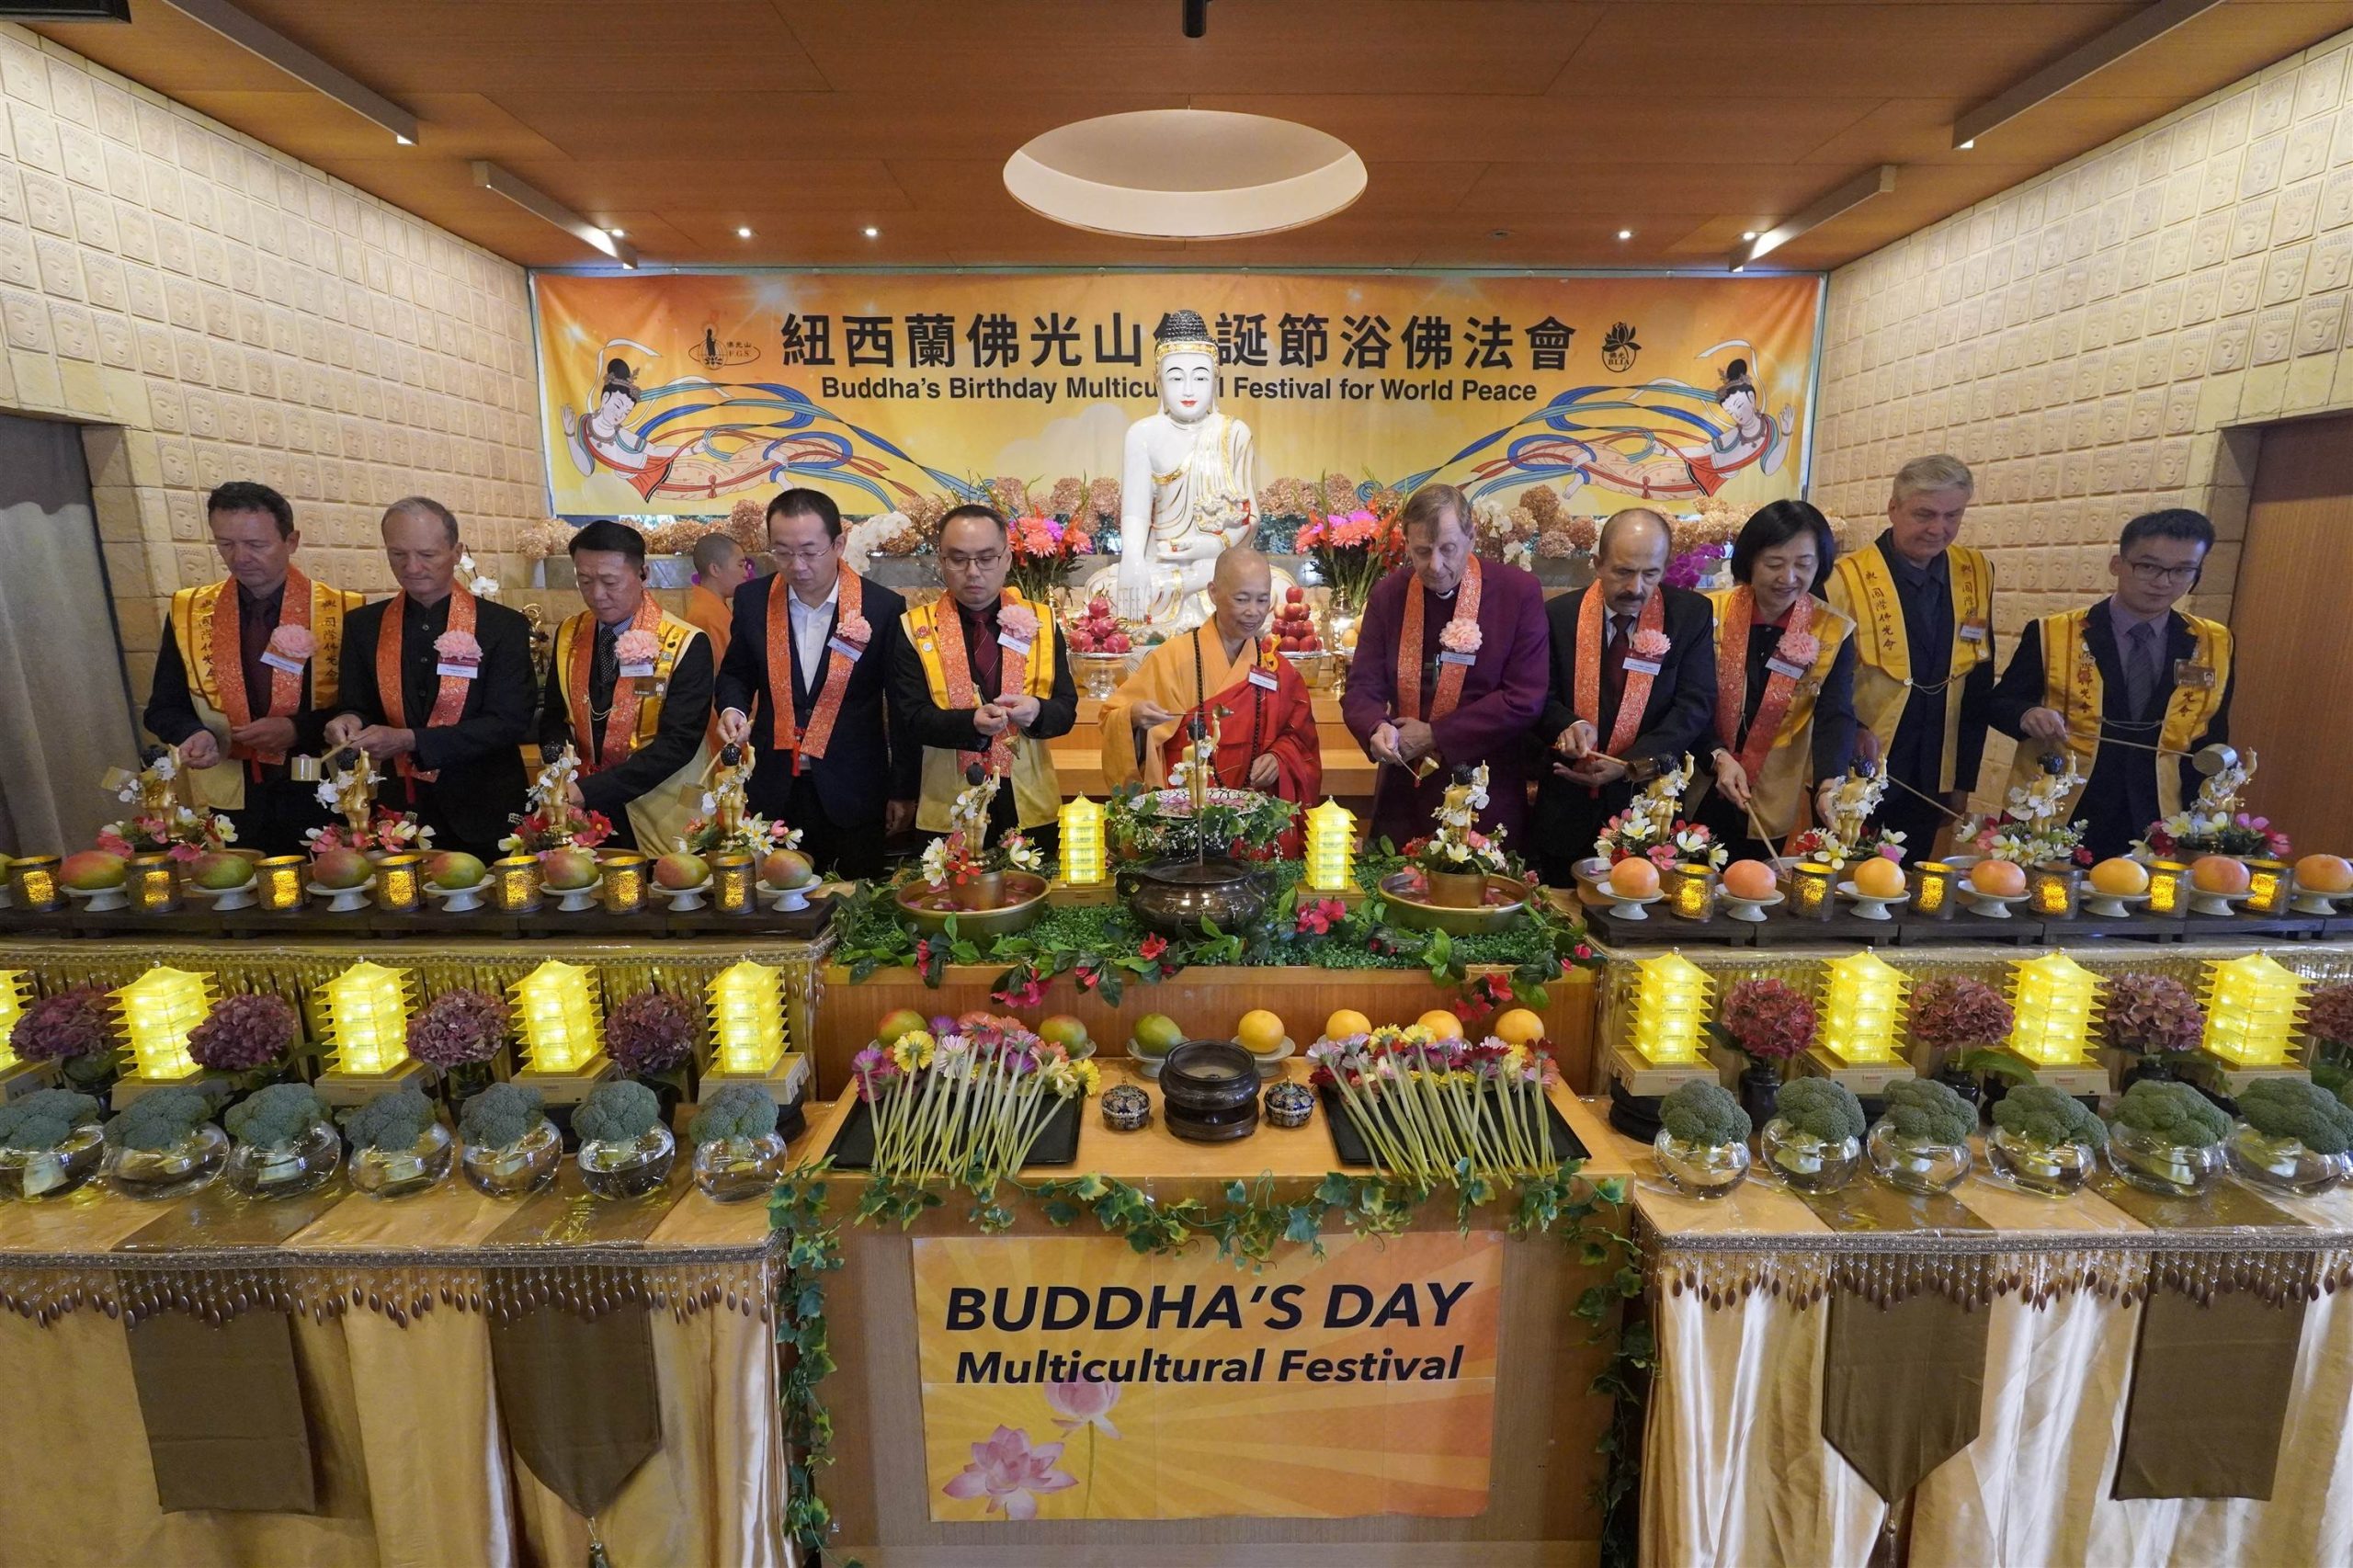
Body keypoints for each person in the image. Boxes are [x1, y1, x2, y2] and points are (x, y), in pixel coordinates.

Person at [1989, 508, 2234, 858]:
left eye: (2182, 570)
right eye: (2148, 566)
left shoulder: (2214, 642)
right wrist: (2027, 714)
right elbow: (2001, 703)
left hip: (2162, 816)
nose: (2163, 582)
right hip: (2064, 811)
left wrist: (2208, 821)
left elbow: (2213, 733)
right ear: (2118, 564)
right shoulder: (2054, 633)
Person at [142, 482, 363, 854]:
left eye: (256, 544)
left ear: (291, 541)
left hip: (321, 790)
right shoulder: (190, 612)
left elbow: (366, 708)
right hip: (234, 797)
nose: (240, 557)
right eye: (225, 544)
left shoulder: (344, 611)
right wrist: (194, 733)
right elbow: (163, 708)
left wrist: (297, 729)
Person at [714, 489, 918, 880]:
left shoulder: (881, 608)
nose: (797, 565)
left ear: (838, 544)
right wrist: (732, 708)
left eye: (810, 551)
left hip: (853, 789)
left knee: (855, 902)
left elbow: (900, 703)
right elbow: (736, 672)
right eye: (783, 552)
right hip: (774, 787)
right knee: (776, 899)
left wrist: (903, 790)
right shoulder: (753, 600)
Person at [325, 497, 534, 863]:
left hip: (485, 804)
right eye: (398, 555)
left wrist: (410, 740)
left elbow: (509, 721)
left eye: (427, 555)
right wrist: (348, 720)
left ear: (457, 552)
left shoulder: (502, 626)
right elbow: (357, 703)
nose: (412, 567)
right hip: (399, 809)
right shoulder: (364, 625)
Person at [1341, 483, 1550, 846]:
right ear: (1406, 542)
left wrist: (1436, 734)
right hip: (1404, 790)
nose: (1435, 566)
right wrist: (1376, 727)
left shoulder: (1517, 593)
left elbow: (1524, 698)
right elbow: (1362, 687)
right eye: (1422, 551)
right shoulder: (1389, 595)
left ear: (1472, 537)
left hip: (1485, 790)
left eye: (1447, 549)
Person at [1530, 507, 1718, 884]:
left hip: (1650, 806)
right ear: (1597, 564)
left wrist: (1631, 764)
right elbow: (1538, 696)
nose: (1636, 587)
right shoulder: (1557, 615)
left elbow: (1694, 706)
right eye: (1623, 571)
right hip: (1568, 806)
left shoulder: (1690, 615)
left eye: (1650, 574)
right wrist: (1569, 724)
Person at [1824, 454, 1995, 856]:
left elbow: (1979, 680)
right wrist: (1845, 737)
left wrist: (1963, 779)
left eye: (1953, 515)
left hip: (1935, 767)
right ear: (1893, 508)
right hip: (1861, 762)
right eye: (1924, 514)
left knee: (1914, 879)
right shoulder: (1842, 578)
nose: (1938, 529)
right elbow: (1820, 683)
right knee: (1847, 871)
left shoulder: (1975, 571)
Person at [1099, 549, 1321, 849]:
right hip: (1183, 812)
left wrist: (1279, 757)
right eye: (1241, 599)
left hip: (1251, 813)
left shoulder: (1274, 667)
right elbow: (1112, 717)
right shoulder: (1173, 658)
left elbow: (1300, 737)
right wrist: (1134, 716)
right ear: (1213, 592)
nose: (1253, 611)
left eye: (1262, 600)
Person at [891, 503, 1077, 858]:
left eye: (986, 558)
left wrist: (1037, 712)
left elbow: (1066, 710)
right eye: (958, 559)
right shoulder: (915, 629)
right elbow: (910, 718)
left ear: (1007, 559)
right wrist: (970, 724)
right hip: (948, 804)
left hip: (1028, 800)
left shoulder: (1040, 622)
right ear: (941, 561)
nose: (973, 572)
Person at [1691, 501, 1859, 861]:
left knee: (1755, 881)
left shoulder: (1832, 629)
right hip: (1700, 776)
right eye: (1774, 564)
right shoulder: (1707, 612)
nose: (1788, 578)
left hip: (1770, 788)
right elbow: (1688, 698)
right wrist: (1716, 753)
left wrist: (1830, 783)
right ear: (1750, 561)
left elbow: (1835, 714)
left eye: (1804, 564)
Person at [535, 519, 713, 851]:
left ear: (643, 573)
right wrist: (560, 771)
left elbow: (679, 742)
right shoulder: (570, 634)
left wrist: (592, 790)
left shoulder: (684, 643)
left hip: (659, 805)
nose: (597, 595)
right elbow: (555, 717)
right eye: (585, 581)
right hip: (581, 806)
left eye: (610, 582)